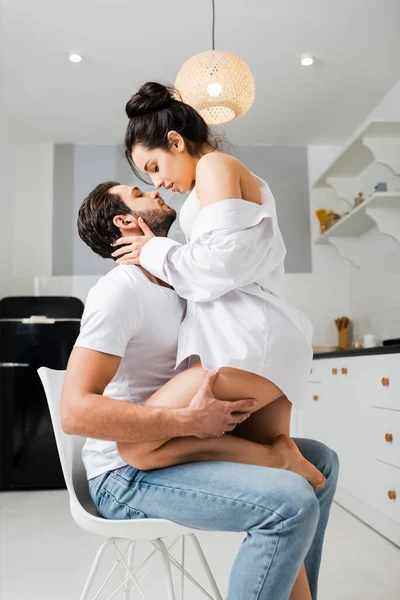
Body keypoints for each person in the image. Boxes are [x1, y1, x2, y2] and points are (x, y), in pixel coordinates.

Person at [62, 180, 339, 600]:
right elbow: (75, 412)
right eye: (140, 193)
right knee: (291, 503)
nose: (157, 191)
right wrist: (188, 420)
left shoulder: (180, 282)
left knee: (323, 461)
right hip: (124, 475)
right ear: (125, 220)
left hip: (173, 447)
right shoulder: (118, 292)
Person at [107, 82, 325, 493]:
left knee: (136, 446)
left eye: (153, 167)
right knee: (280, 491)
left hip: (247, 342)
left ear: (175, 141)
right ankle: (283, 484)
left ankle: (278, 458)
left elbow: (218, 264)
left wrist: (153, 250)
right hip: (258, 340)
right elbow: (222, 260)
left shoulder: (214, 167)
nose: (158, 183)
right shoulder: (211, 181)